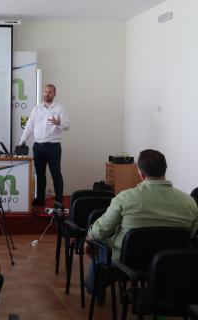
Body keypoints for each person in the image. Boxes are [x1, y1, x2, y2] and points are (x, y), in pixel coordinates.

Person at [84, 149, 198, 295]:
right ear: (165, 170)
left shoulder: (125, 198)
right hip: (170, 262)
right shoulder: (189, 202)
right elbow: (192, 232)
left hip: (127, 262)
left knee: (101, 248)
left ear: (141, 173)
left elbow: (102, 229)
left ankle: (94, 290)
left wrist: (89, 238)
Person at [19, 84, 70, 208]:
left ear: (54, 94)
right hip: (38, 147)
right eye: (45, 92)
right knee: (40, 174)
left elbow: (67, 126)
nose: (47, 94)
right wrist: (22, 141)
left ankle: (58, 200)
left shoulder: (59, 108)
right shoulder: (36, 109)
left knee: (56, 174)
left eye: (50, 92)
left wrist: (59, 123)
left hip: (53, 147)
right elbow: (29, 126)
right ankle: (40, 199)